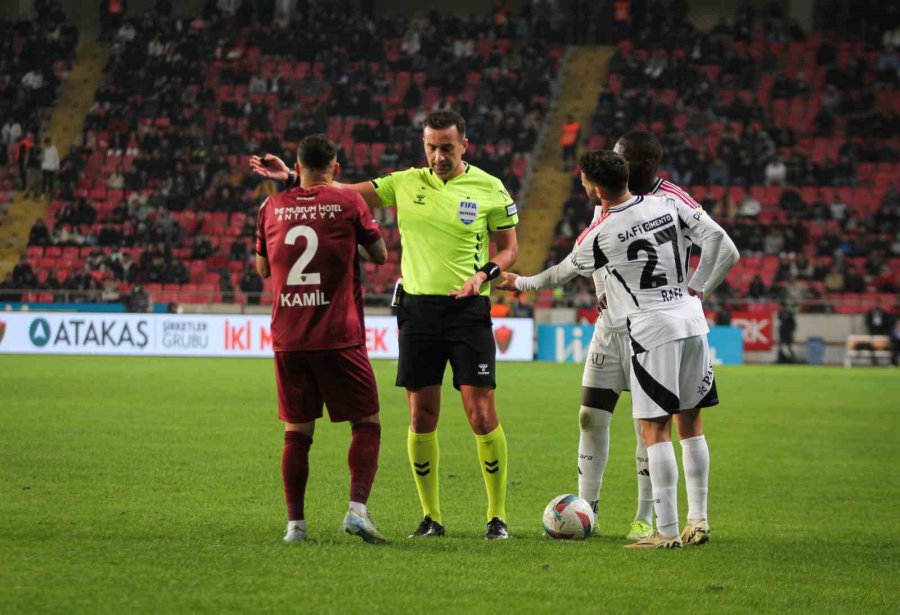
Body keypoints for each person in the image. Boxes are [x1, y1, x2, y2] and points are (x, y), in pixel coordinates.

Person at [250, 110, 520, 540]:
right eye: (431, 147)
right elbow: (337, 191)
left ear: (464, 145)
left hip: (468, 311)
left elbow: (509, 249)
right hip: (417, 313)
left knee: (481, 413)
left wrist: (484, 273)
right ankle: (431, 517)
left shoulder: (490, 187)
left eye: (447, 147)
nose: (437, 156)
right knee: (421, 416)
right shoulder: (405, 181)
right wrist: (291, 178)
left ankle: (497, 516)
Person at [511, 150, 736, 549]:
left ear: (595, 188)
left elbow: (561, 271)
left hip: (651, 330)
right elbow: (718, 240)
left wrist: (522, 283)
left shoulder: (600, 232)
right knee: (692, 426)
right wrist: (697, 287)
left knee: (655, 430)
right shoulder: (665, 203)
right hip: (692, 321)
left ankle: (664, 532)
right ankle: (697, 519)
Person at [255, 134, 388, 544]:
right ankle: (357, 511)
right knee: (366, 422)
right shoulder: (350, 203)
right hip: (338, 335)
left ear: (296, 168)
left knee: (298, 431)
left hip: (289, 338)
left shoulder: (270, 206)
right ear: (338, 168)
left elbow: (262, 269)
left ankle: (295, 526)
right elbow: (380, 255)